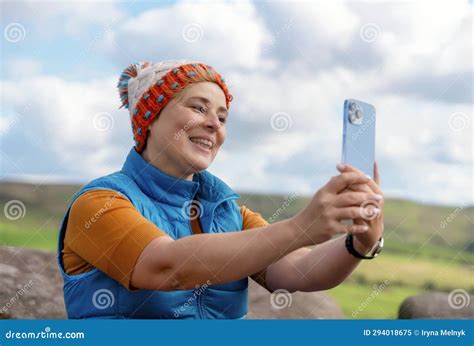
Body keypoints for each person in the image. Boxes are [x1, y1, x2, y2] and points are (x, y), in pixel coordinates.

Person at [57, 59, 384, 319]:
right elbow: (167, 267)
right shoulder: (99, 203)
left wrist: (358, 243)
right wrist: (301, 226)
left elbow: (298, 270)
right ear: (151, 118)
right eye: (198, 108)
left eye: (223, 117)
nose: (215, 123)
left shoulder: (229, 212)